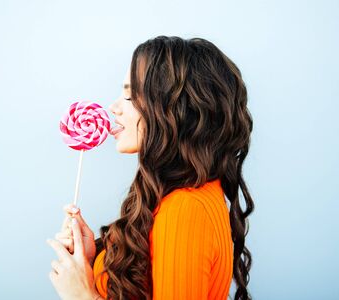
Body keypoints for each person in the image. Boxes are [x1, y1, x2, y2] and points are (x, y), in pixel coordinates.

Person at [47, 35, 254, 300]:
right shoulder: (181, 198)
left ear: (175, 110)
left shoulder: (186, 211)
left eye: (130, 96)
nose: (114, 107)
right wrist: (94, 259)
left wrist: (82, 295)